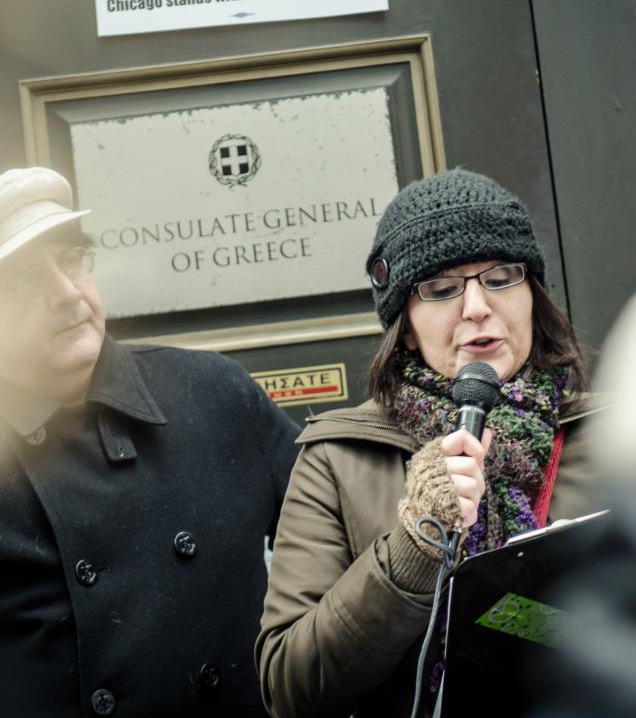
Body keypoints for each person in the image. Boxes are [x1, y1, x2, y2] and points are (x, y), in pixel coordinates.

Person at [256, 168, 599, 718]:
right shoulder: (337, 459)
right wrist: (415, 546)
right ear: (406, 327)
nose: (477, 306)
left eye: (501, 277)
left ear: (532, 294)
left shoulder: (615, 438)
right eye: (441, 289)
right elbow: (291, 689)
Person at [0, 166, 299, 717]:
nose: (67, 294)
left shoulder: (213, 394)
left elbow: (338, 540)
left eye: (72, 260)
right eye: (25, 281)